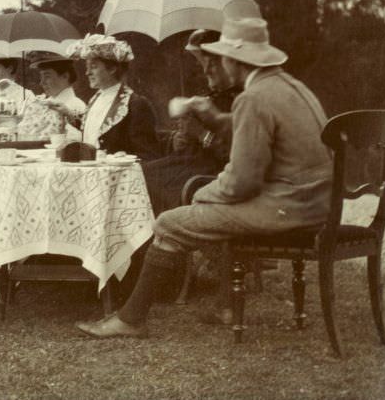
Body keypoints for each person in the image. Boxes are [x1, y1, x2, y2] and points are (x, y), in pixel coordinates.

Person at [75, 17, 333, 339]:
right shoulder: (290, 86)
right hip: (315, 201)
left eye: (222, 56)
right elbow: (256, 132)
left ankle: (130, 319)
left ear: (236, 60)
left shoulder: (253, 98)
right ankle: (225, 306)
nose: (217, 64)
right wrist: (215, 119)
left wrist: (205, 195)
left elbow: (242, 183)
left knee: (169, 223)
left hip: (287, 207)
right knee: (203, 208)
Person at [143, 29, 240, 215]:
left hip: (213, 173)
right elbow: (187, 143)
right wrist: (180, 138)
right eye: (202, 63)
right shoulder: (210, 98)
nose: (205, 71)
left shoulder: (241, 101)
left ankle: (166, 235)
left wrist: (200, 134)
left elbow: (234, 156)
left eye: (211, 64)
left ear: (226, 62)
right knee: (139, 173)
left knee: (153, 181)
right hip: (191, 164)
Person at [50, 34, 159, 159]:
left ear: (112, 69)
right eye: (87, 67)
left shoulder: (136, 104)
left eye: (93, 67)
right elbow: (94, 129)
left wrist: (125, 157)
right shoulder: (96, 99)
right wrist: (67, 112)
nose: (87, 72)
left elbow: (148, 155)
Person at [16, 55, 85, 140]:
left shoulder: (76, 107)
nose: (42, 83)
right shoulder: (41, 104)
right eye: (41, 77)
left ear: (65, 76)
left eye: (47, 76)